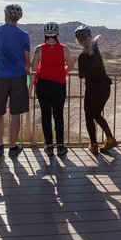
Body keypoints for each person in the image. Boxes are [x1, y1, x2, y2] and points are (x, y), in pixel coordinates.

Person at [0, 4, 31, 158]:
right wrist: (28, 72)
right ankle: (13, 147)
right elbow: (27, 60)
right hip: (18, 78)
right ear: (19, 17)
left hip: (1, 77)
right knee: (15, 114)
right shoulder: (24, 35)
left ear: (5, 15)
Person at [31, 21, 74, 157]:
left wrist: (42, 71)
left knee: (45, 115)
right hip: (59, 85)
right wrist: (61, 71)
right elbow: (71, 66)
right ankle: (60, 145)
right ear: (58, 34)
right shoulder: (64, 48)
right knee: (58, 115)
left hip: (43, 85)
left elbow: (33, 67)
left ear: (45, 34)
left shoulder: (39, 48)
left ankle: (48, 146)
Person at [74, 25, 118, 155]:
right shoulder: (95, 47)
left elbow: (81, 75)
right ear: (90, 37)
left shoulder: (82, 56)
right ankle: (110, 138)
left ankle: (93, 144)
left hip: (93, 90)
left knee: (89, 116)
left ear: (78, 41)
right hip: (105, 87)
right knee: (97, 114)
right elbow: (97, 39)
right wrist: (99, 37)